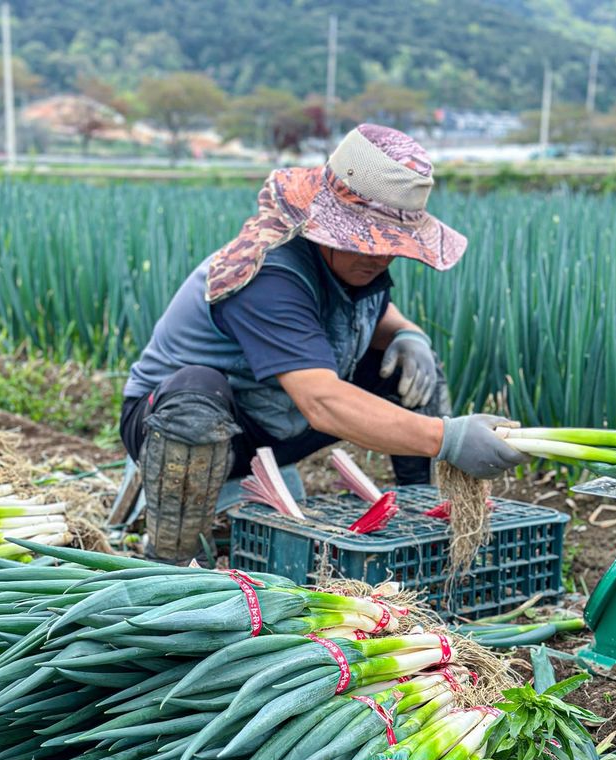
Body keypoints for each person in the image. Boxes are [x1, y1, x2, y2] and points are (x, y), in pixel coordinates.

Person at [120, 123, 525, 563]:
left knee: (409, 368)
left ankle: (422, 517)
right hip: (186, 424)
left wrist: (409, 335)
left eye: (390, 245)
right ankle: (169, 562)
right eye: (366, 242)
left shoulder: (353, 266)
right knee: (195, 399)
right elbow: (321, 401)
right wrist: (447, 438)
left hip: (277, 423)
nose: (380, 257)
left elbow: (371, 313)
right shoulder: (269, 274)